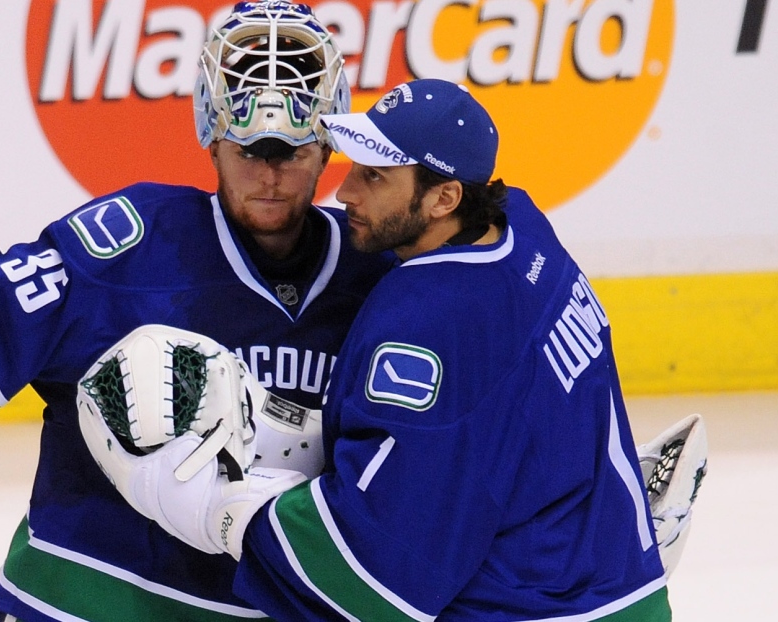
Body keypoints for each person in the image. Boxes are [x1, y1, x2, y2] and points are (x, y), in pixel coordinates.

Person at [0, 3, 393, 621]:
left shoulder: (377, 278)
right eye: (250, 149)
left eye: (291, 151)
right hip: (84, 602)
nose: (270, 176)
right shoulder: (137, 245)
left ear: (327, 147)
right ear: (212, 136)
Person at [84, 79, 675, 621]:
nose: (343, 192)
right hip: (621, 584)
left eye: (375, 178)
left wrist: (218, 509)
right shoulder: (521, 227)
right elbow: (500, 413)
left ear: (444, 199)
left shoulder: (426, 321)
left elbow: (378, 580)